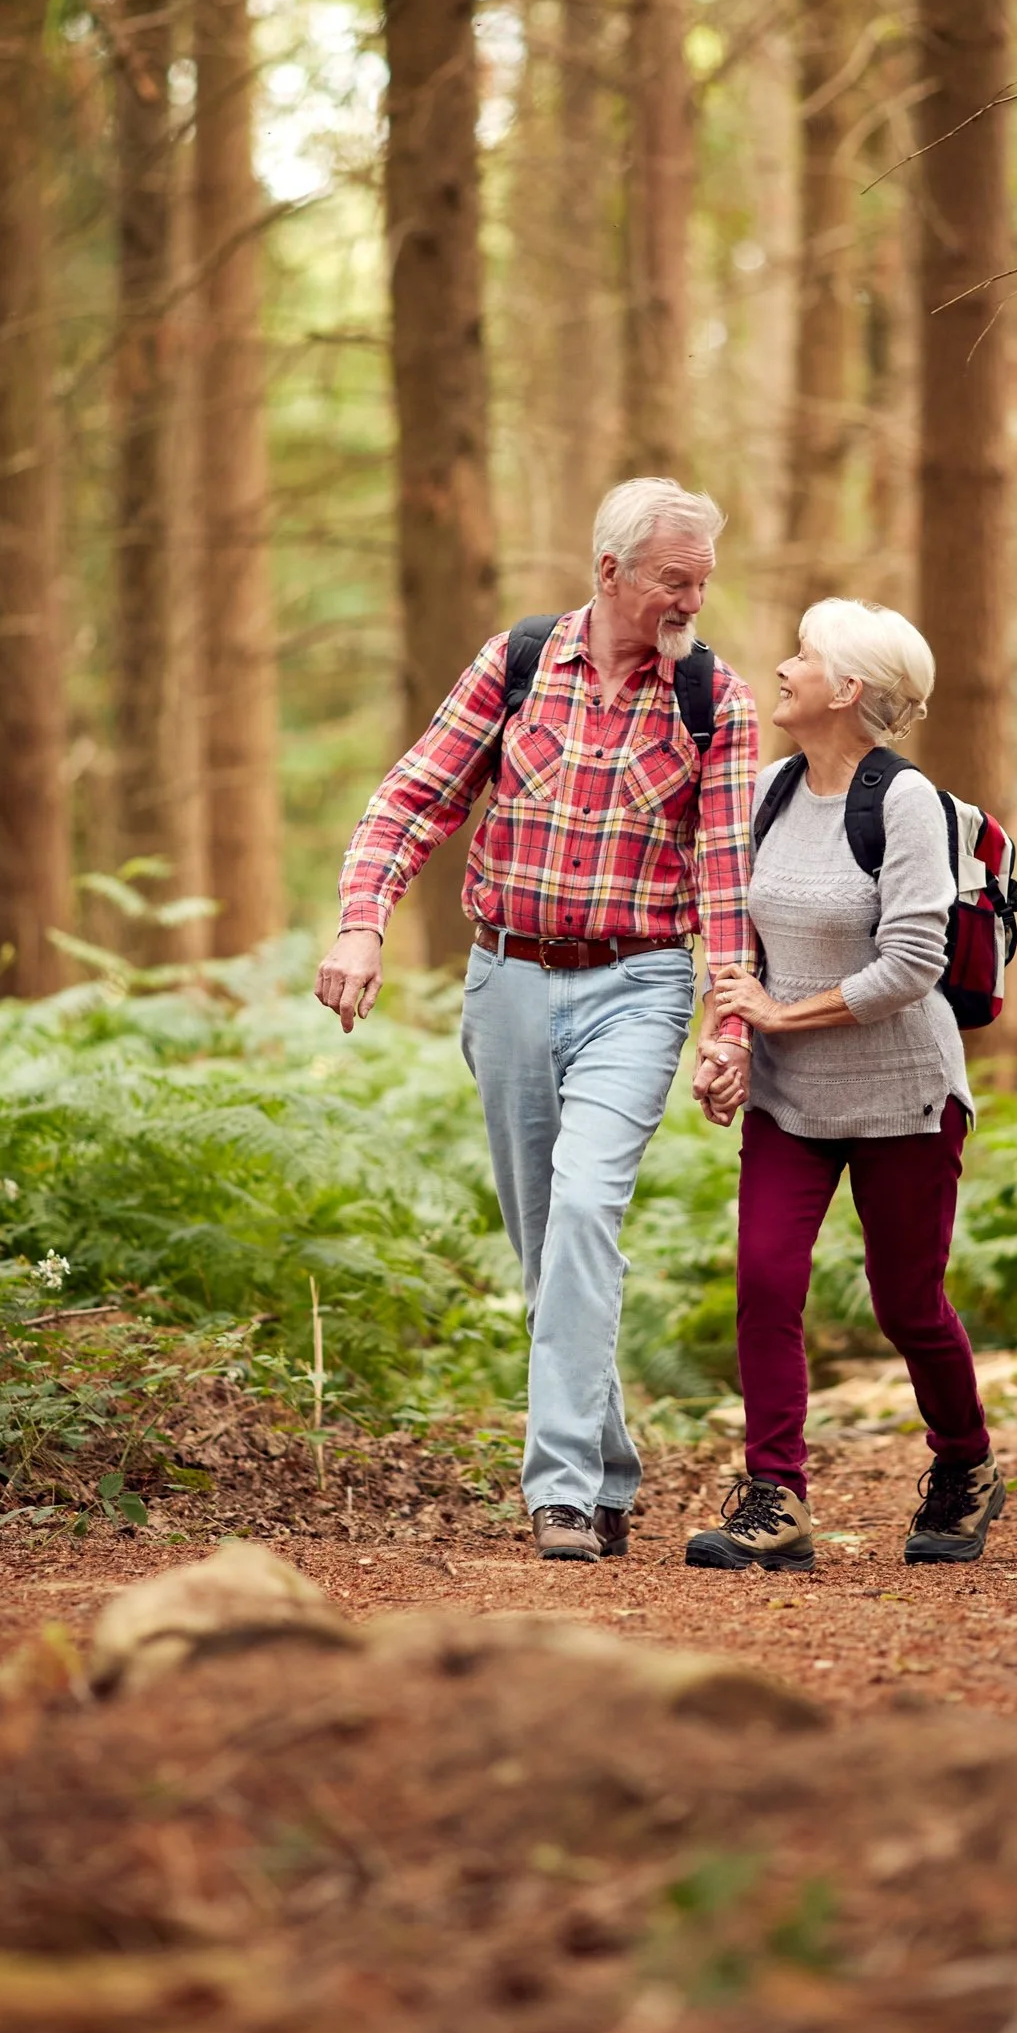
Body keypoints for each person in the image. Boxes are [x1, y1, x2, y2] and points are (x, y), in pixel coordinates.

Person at [319, 479, 758, 1562]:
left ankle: (557, 1486)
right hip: (506, 980)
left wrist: (727, 1026)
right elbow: (412, 798)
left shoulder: (716, 699)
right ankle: (606, 1466)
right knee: (543, 1244)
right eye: (673, 577)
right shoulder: (513, 663)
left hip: (638, 983)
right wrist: (360, 926)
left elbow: (728, 881)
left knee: (582, 1213)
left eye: (702, 579)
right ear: (607, 570)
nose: (691, 598)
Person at [684, 598, 1003, 1574]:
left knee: (905, 1303)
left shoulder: (904, 805)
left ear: (848, 688)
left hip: (901, 1096)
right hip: (790, 1100)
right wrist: (730, 1035)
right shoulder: (770, 792)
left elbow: (913, 961)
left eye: (803, 656)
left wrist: (781, 1014)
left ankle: (964, 1465)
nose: (781, 666)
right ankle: (774, 1498)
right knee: (764, 1284)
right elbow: (736, 942)